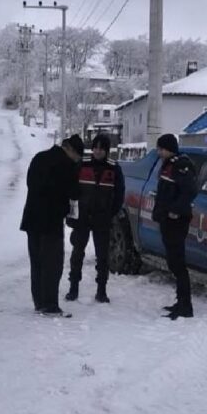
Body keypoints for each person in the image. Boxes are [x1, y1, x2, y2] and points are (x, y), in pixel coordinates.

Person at [20, 134, 84, 317]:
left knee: (37, 262)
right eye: (77, 156)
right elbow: (74, 192)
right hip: (51, 221)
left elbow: (30, 182)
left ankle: (39, 302)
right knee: (52, 263)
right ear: (70, 150)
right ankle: (50, 305)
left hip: (32, 219)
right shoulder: (67, 165)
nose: (77, 160)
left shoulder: (40, 157)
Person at [65, 133, 125, 304]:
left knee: (103, 256)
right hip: (82, 217)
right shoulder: (81, 165)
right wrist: (71, 215)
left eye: (102, 149)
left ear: (107, 150)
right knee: (77, 254)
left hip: (102, 219)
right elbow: (71, 189)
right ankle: (73, 288)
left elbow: (119, 194)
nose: (98, 151)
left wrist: (111, 213)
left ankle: (101, 291)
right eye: (96, 148)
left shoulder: (114, 169)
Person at [152, 133, 197, 320]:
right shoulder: (168, 164)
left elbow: (190, 191)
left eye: (160, 148)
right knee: (173, 261)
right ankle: (180, 302)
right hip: (167, 219)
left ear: (168, 148)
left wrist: (175, 210)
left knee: (178, 263)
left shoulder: (181, 164)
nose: (158, 152)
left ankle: (186, 306)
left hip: (176, 221)